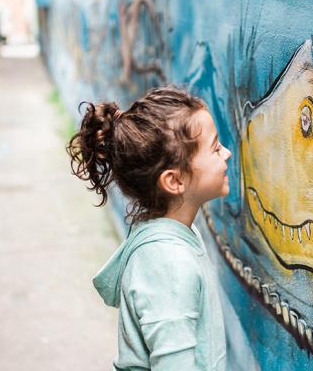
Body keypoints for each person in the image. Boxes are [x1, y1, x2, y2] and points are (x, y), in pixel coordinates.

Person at [67, 87, 231, 370]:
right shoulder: (168, 264)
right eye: (215, 148)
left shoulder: (176, 236)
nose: (226, 153)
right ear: (174, 181)